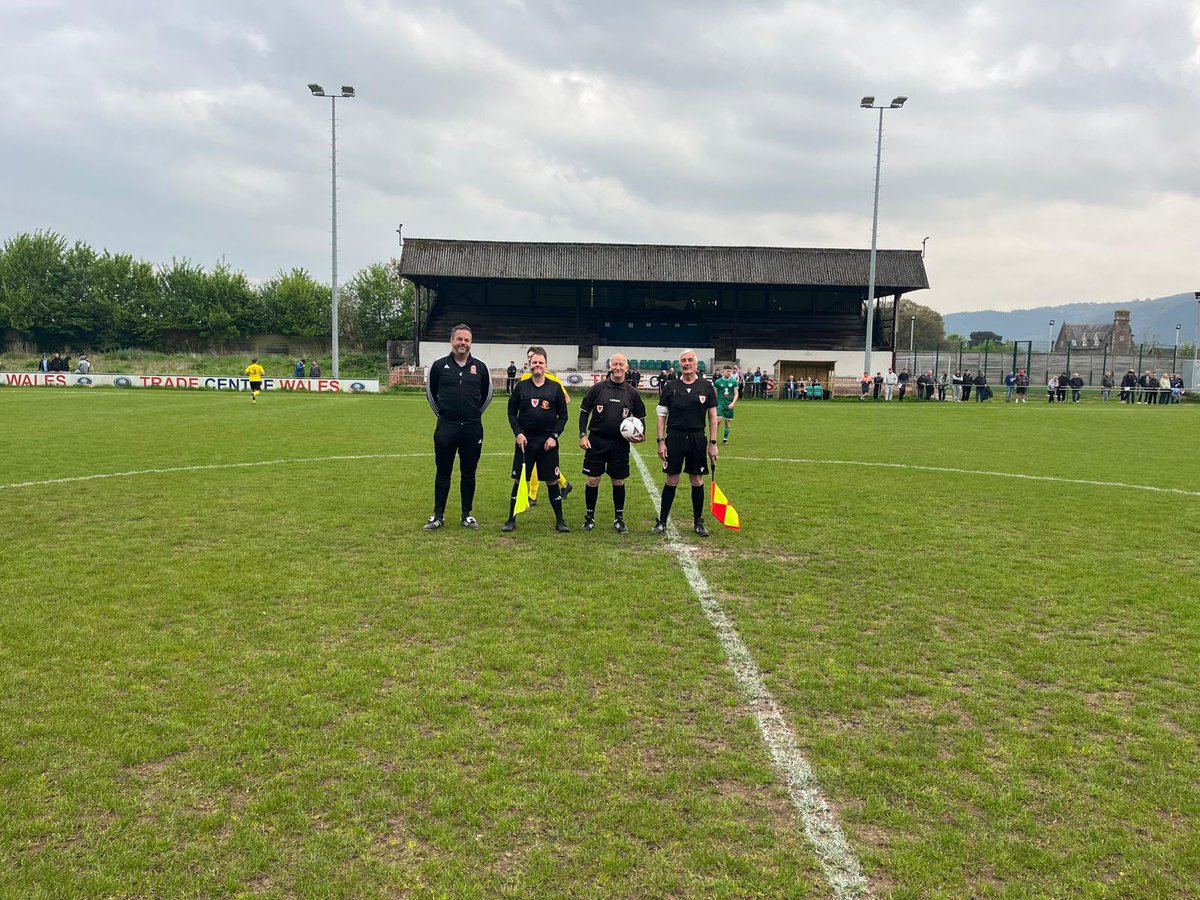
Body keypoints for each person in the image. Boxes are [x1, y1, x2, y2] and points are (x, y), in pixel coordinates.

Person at [424, 324, 493, 530]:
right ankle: (438, 515)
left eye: (467, 340)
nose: (463, 343)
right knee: (442, 472)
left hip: (472, 428)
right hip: (446, 427)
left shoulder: (480, 367)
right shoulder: (438, 366)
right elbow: (431, 394)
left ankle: (466, 515)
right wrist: (444, 415)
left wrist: (473, 414)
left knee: (469, 473)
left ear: (471, 343)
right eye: (459, 339)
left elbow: (487, 396)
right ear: (452, 340)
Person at [578, 353, 646, 533]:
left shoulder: (632, 393)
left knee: (618, 481)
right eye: (614, 364)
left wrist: (641, 434)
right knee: (593, 480)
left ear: (627, 367)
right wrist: (582, 435)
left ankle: (619, 519)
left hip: (619, 445)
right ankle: (589, 517)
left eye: (621, 364)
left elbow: (641, 417)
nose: (617, 367)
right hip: (596, 442)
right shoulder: (598, 389)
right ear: (610, 366)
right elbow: (584, 411)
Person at [503, 349, 569, 533]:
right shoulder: (521, 386)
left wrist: (554, 437)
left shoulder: (554, 387)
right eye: (534, 362)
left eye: (541, 362)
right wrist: (518, 433)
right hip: (525, 441)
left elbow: (564, 416)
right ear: (529, 365)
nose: (537, 365)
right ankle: (511, 520)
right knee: (519, 480)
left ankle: (560, 521)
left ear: (546, 366)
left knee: (552, 481)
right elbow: (511, 412)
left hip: (548, 442)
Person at [653, 349, 718, 537]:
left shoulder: (706, 387)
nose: (687, 363)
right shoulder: (670, 386)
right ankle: (662, 521)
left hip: (698, 437)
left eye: (690, 360)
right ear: (679, 364)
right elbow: (661, 416)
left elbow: (713, 417)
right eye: (683, 361)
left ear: (697, 364)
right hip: (674, 437)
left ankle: (698, 522)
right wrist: (660, 441)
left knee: (697, 479)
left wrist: (713, 443)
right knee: (671, 479)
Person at [520, 347, 573, 506]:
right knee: (536, 465)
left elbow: (566, 399)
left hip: (547, 430)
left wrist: (550, 412)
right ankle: (564, 484)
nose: (533, 362)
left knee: (541, 465)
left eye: (535, 359)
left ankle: (533, 495)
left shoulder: (553, 380)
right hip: (528, 429)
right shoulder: (524, 377)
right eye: (530, 359)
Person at [713, 365, 740, 443]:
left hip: (729, 404)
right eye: (727, 371)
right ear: (723, 371)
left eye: (730, 371)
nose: (729, 373)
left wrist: (733, 403)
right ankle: (714, 439)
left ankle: (725, 439)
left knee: (728, 422)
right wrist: (715, 403)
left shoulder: (734, 382)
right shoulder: (718, 382)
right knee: (718, 421)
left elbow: (736, 394)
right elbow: (715, 393)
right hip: (720, 404)